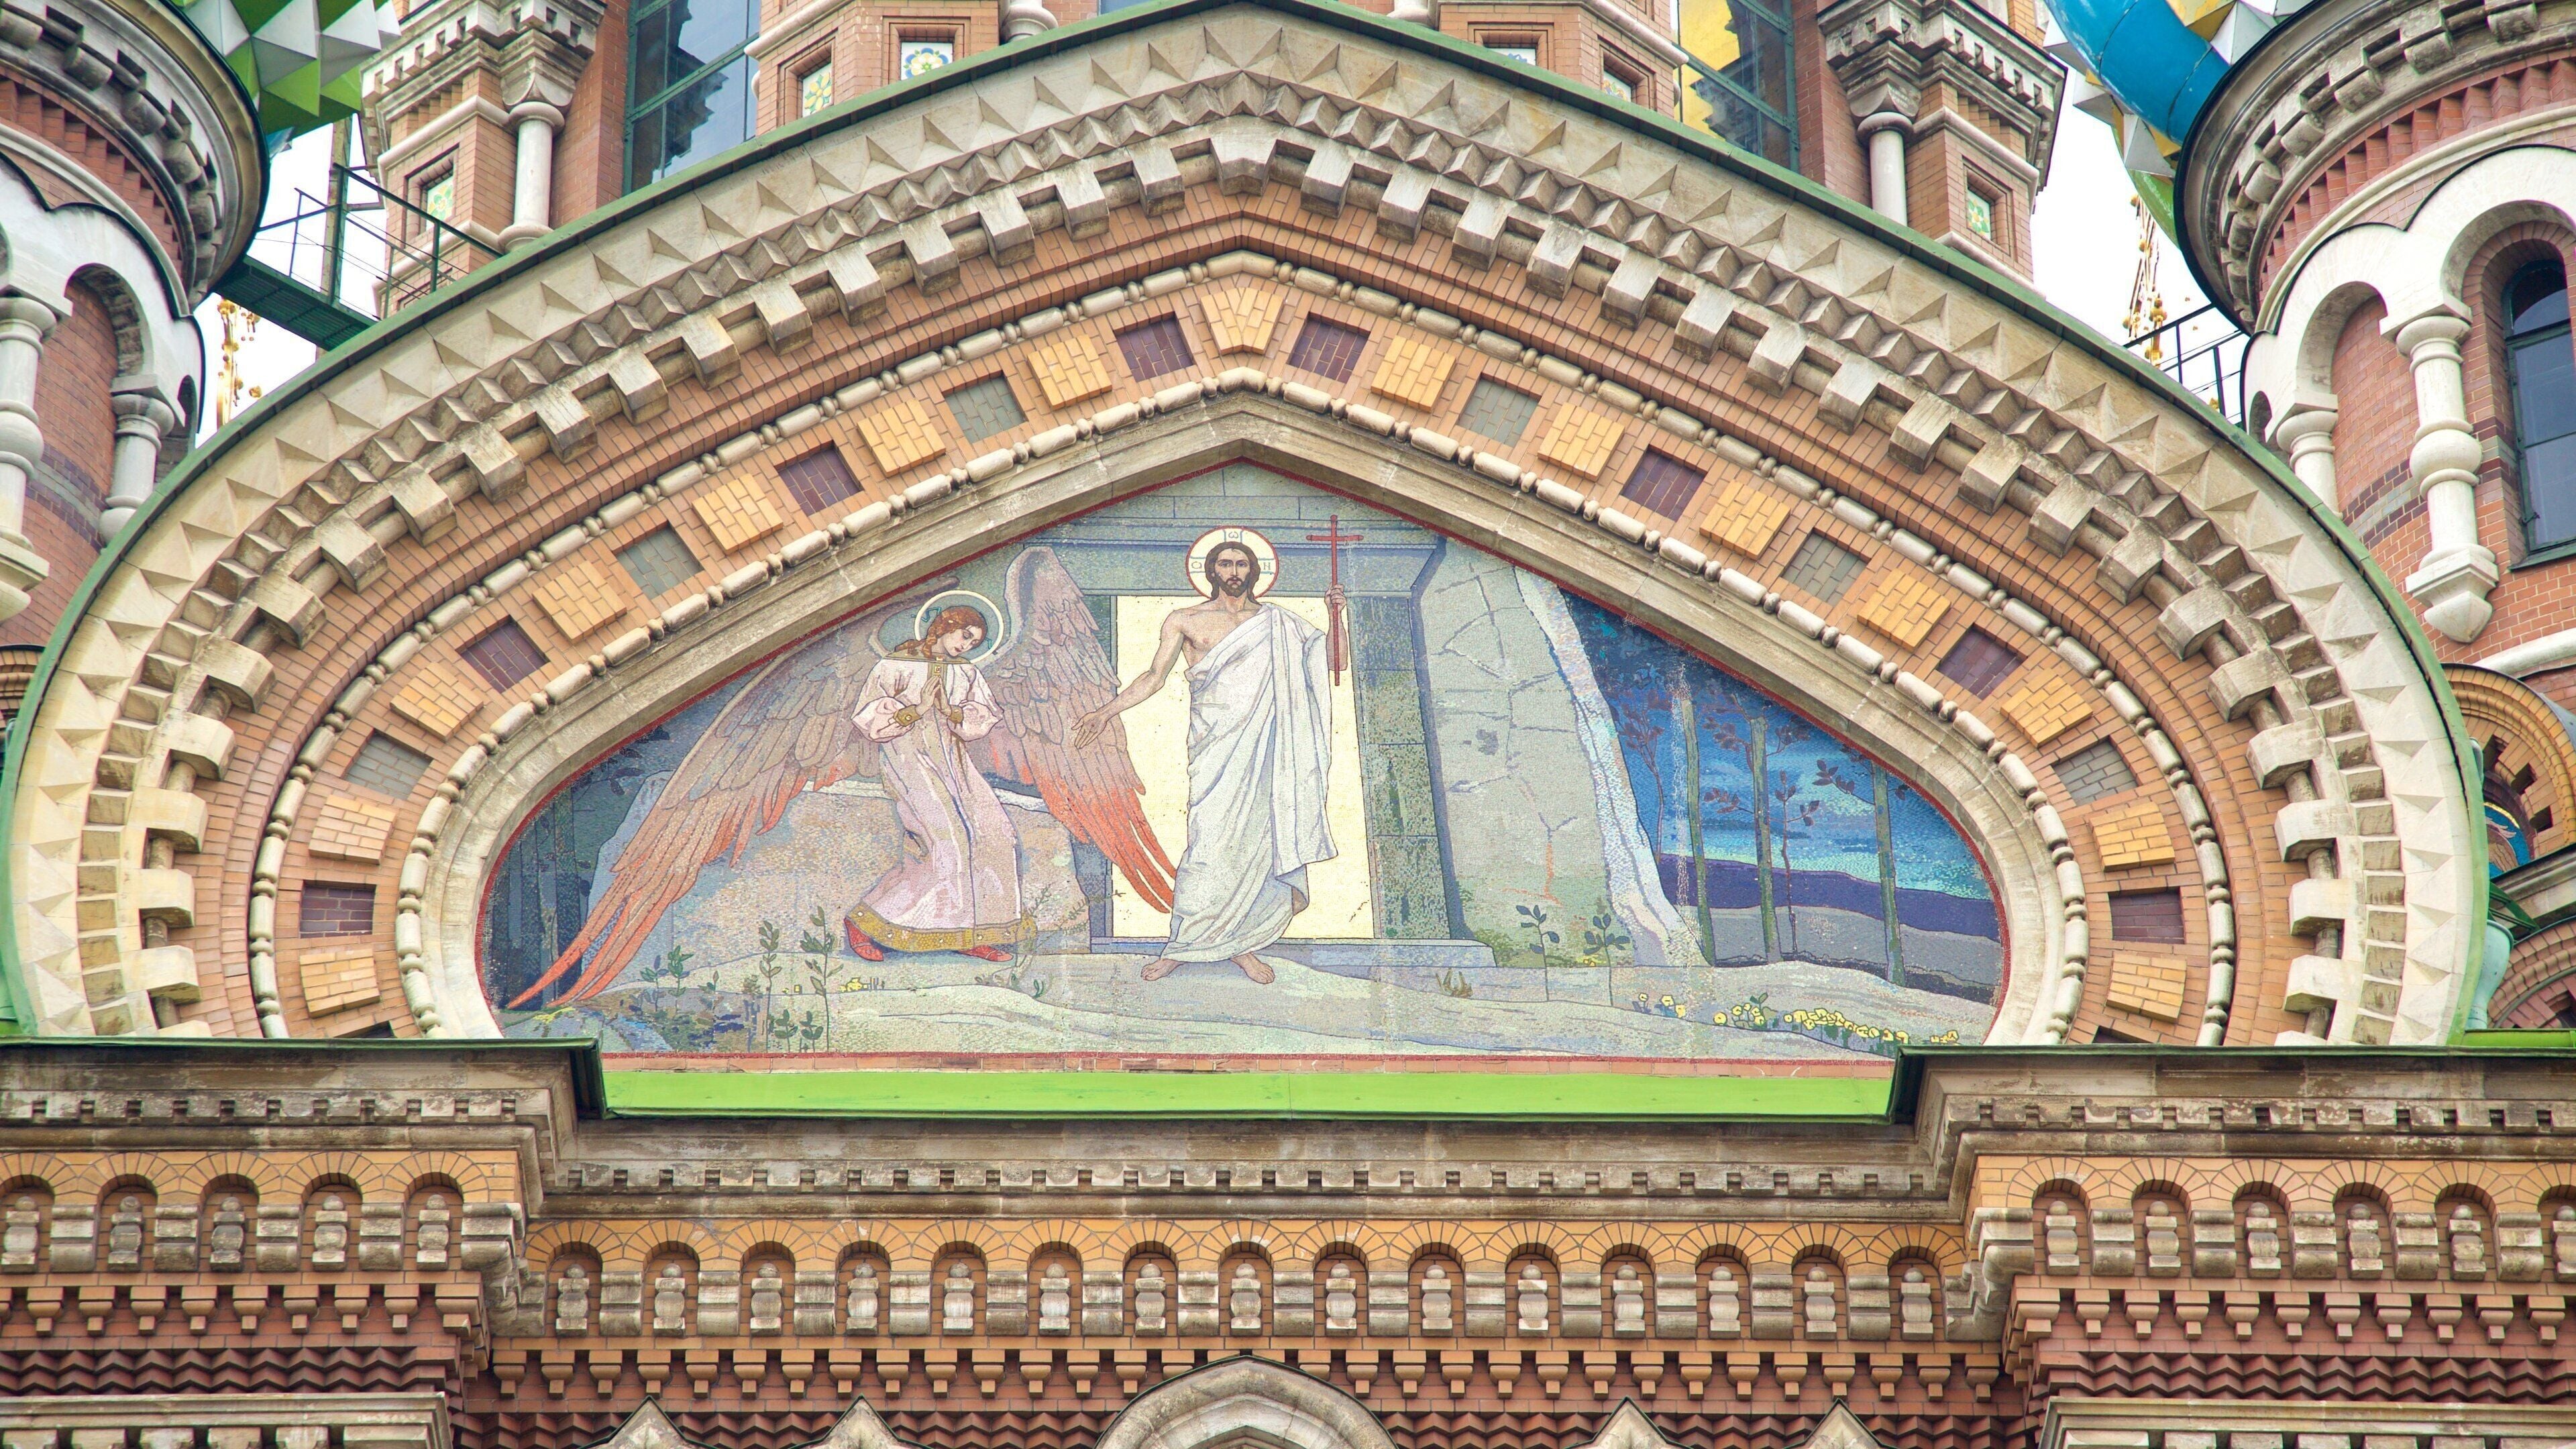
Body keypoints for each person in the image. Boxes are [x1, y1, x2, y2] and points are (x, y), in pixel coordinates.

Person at [1074, 537, 1337, 983]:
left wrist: (1336, 616)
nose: (1233, 570)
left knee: (1261, 846)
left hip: (1266, 751)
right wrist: (1105, 712)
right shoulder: (1186, 620)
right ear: (1212, 571)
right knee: (1209, 845)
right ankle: (1184, 945)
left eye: (1241, 563)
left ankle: (1243, 946)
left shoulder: (1280, 624)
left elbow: (1331, 663)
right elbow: (1154, 678)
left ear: (1254, 571)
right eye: (1225, 563)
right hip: (1215, 749)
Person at [845, 605, 1022, 963]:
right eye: (965, 636)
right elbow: (870, 719)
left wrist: (949, 710)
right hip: (908, 761)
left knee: (995, 834)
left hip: (956, 764)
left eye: (975, 643)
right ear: (946, 626)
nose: (966, 646)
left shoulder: (966, 672)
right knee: (949, 843)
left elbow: (980, 716)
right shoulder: (894, 665)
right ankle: (865, 925)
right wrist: (916, 708)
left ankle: (971, 931)